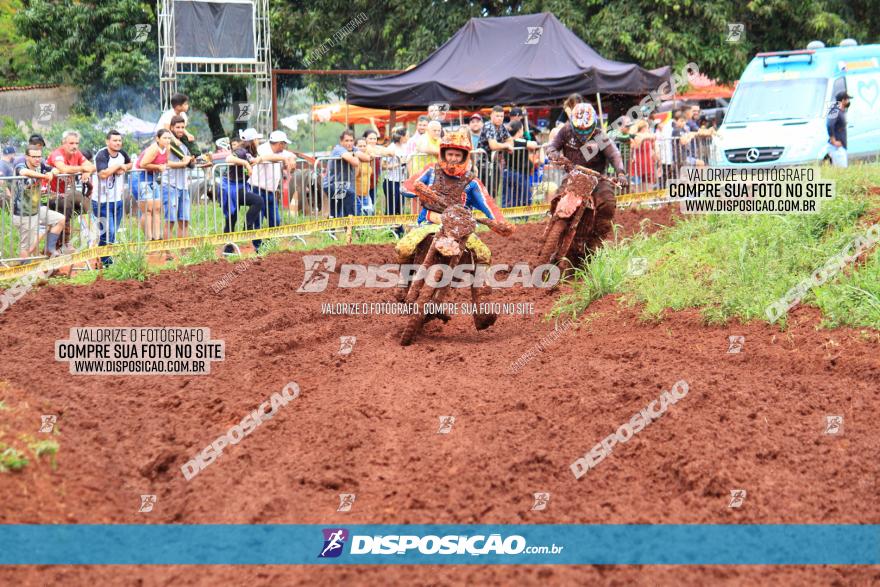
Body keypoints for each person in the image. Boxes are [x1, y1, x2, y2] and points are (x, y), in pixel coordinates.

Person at [396, 130, 514, 328]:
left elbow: (488, 205)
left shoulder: (471, 182)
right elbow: (408, 186)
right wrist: (416, 190)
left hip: (461, 230)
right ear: (443, 154)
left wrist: (500, 222)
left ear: (464, 156)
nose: (453, 158)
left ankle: (481, 306)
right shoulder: (431, 171)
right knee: (403, 248)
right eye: (450, 154)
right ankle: (402, 284)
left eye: (457, 155)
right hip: (430, 222)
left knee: (484, 254)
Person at [545, 103, 627, 260]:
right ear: (573, 124)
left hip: (597, 179)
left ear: (594, 124)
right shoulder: (566, 131)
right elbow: (552, 146)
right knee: (557, 198)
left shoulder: (600, 136)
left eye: (586, 128)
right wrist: (554, 154)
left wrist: (621, 173)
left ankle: (595, 241)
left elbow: (614, 155)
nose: (583, 132)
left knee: (608, 204)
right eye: (579, 128)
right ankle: (554, 226)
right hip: (574, 176)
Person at [10, 145, 65, 260]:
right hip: (22, 214)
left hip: (37, 209)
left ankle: (50, 249)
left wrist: (52, 173)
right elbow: (24, 172)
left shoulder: (41, 165)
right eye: (34, 156)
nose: (37, 159)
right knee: (27, 247)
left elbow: (56, 169)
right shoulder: (20, 166)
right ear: (27, 157)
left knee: (60, 219)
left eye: (39, 156)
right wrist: (44, 176)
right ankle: (24, 272)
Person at [46, 130, 95, 252]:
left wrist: (87, 171)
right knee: (65, 206)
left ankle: (91, 240)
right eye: (71, 143)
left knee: (87, 205)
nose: (74, 146)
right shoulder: (57, 154)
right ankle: (62, 244)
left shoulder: (77, 154)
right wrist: (83, 168)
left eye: (76, 143)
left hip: (64, 194)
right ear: (63, 143)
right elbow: (63, 168)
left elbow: (92, 166)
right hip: (48, 194)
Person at [92, 130, 132, 265]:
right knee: (108, 231)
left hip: (117, 199)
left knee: (112, 232)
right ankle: (106, 261)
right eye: (115, 140)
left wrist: (124, 167)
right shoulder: (101, 155)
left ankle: (102, 257)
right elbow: (103, 174)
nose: (118, 143)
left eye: (119, 140)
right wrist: (117, 167)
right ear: (107, 141)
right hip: (101, 201)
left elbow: (130, 163)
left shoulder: (122, 154)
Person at [219, 134, 264, 254]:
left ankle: (229, 248)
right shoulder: (241, 151)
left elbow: (262, 158)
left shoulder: (250, 152)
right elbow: (228, 159)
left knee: (232, 218)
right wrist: (246, 163)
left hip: (239, 186)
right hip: (230, 187)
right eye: (257, 139)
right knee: (257, 201)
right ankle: (246, 228)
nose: (258, 141)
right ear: (252, 140)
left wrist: (258, 159)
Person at [249, 129, 296, 228]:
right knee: (258, 220)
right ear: (279, 144)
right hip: (257, 190)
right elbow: (266, 157)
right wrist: (284, 159)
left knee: (275, 221)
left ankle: (271, 242)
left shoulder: (281, 152)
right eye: (284, 144)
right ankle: (256, 243)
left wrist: (290, 159)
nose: (285, 146)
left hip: (270, 191)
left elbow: (292, 155)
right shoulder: (262, 148)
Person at [131, 129, 172, 241]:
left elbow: (165, 162)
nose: (167, 140)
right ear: (157, 139)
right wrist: (158, 167)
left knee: (157, 208)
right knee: (148, 209)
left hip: (151, 177)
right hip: (140, 176)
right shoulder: (153, 149)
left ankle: (157, 237)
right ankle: (149, 238)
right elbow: (143, 164)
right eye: (165, 138)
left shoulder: (168, 148)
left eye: (169, 138)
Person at [326, 130, 370, 218]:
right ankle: (332, 229)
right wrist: (356, 155)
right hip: (334, 184)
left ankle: (349, 229)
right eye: (346, 141)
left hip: (345, 185)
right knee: (337, 210)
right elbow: (355, 162)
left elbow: (367, 158)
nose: (349, 143)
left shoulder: (353, 148)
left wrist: (355, 153)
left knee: (346, 209)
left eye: (351, 140)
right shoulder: (338, 149)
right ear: (341, 141)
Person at [164, 115, 195, 240]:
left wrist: (194, 162)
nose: (180, 130)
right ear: (171, 128)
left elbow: (190, 163)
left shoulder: (185, 144)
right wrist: (184, 163)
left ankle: (184, 251)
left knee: (184, 221)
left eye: (182, 127)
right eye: (178, 127)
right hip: (170, 185)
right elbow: (166, 163)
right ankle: (167, 254)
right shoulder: (167, 143)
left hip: (184, 186)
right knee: (170, 221)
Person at [501, 120, 540, 207]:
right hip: (519, 173)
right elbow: (534, 144)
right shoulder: (518, 141)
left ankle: (507, 216)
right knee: (525, 197)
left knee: (509, 197)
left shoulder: (505, 141)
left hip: (507, 172)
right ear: (519, 131)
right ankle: (521, 217)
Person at [478, 105, 514, 195]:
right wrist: (506, 146)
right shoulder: (488, 126)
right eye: (497, 116)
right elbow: (493, 145)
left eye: (501, 116)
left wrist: (506, 146)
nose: (500, 118)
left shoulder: (502, 126)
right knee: (484, 193)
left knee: (494, 192)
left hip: (493, 163)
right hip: (482, 164)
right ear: (491, 116)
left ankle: (492, 208)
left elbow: (510, 141)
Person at [381, 128, 408, 228]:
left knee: (400, 206)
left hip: (402, 181)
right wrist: (398, 164)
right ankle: (389, 229)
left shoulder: (405, 147)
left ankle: (399, 228)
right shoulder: (391, 148)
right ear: (401, 137)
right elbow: (383, 166)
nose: (407, 138)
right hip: (391, 181)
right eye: (406, 135)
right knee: (391, 207)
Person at [629, 119, 657, 189]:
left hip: (648, 165)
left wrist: (657, 161)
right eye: (647, 127)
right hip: (637, 165)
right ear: (644, 127)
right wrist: (646, 137)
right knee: (636, 189)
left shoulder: (650, 136)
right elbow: (636, 145)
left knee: (648, 188)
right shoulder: (635, 136)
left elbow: (653, 148)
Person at [827, 91, 851, 168]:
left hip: (841, 147)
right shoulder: (835, 110)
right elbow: (829, 125)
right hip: (837, 148)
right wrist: (833, 140)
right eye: (847, 99)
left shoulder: (841, 111)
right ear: (843, 100)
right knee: (841, 171)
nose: (848, 102)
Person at [354, 137, 375, 215]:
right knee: (358, 215)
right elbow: (356, 174)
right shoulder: (355, 157)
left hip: (366, 193)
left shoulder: (367, 157)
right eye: (360, 146)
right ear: (355, 146)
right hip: (357, 193)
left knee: (368, 215)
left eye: (364, 145)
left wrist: (371, 159)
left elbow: (371, 171)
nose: (362, 148)